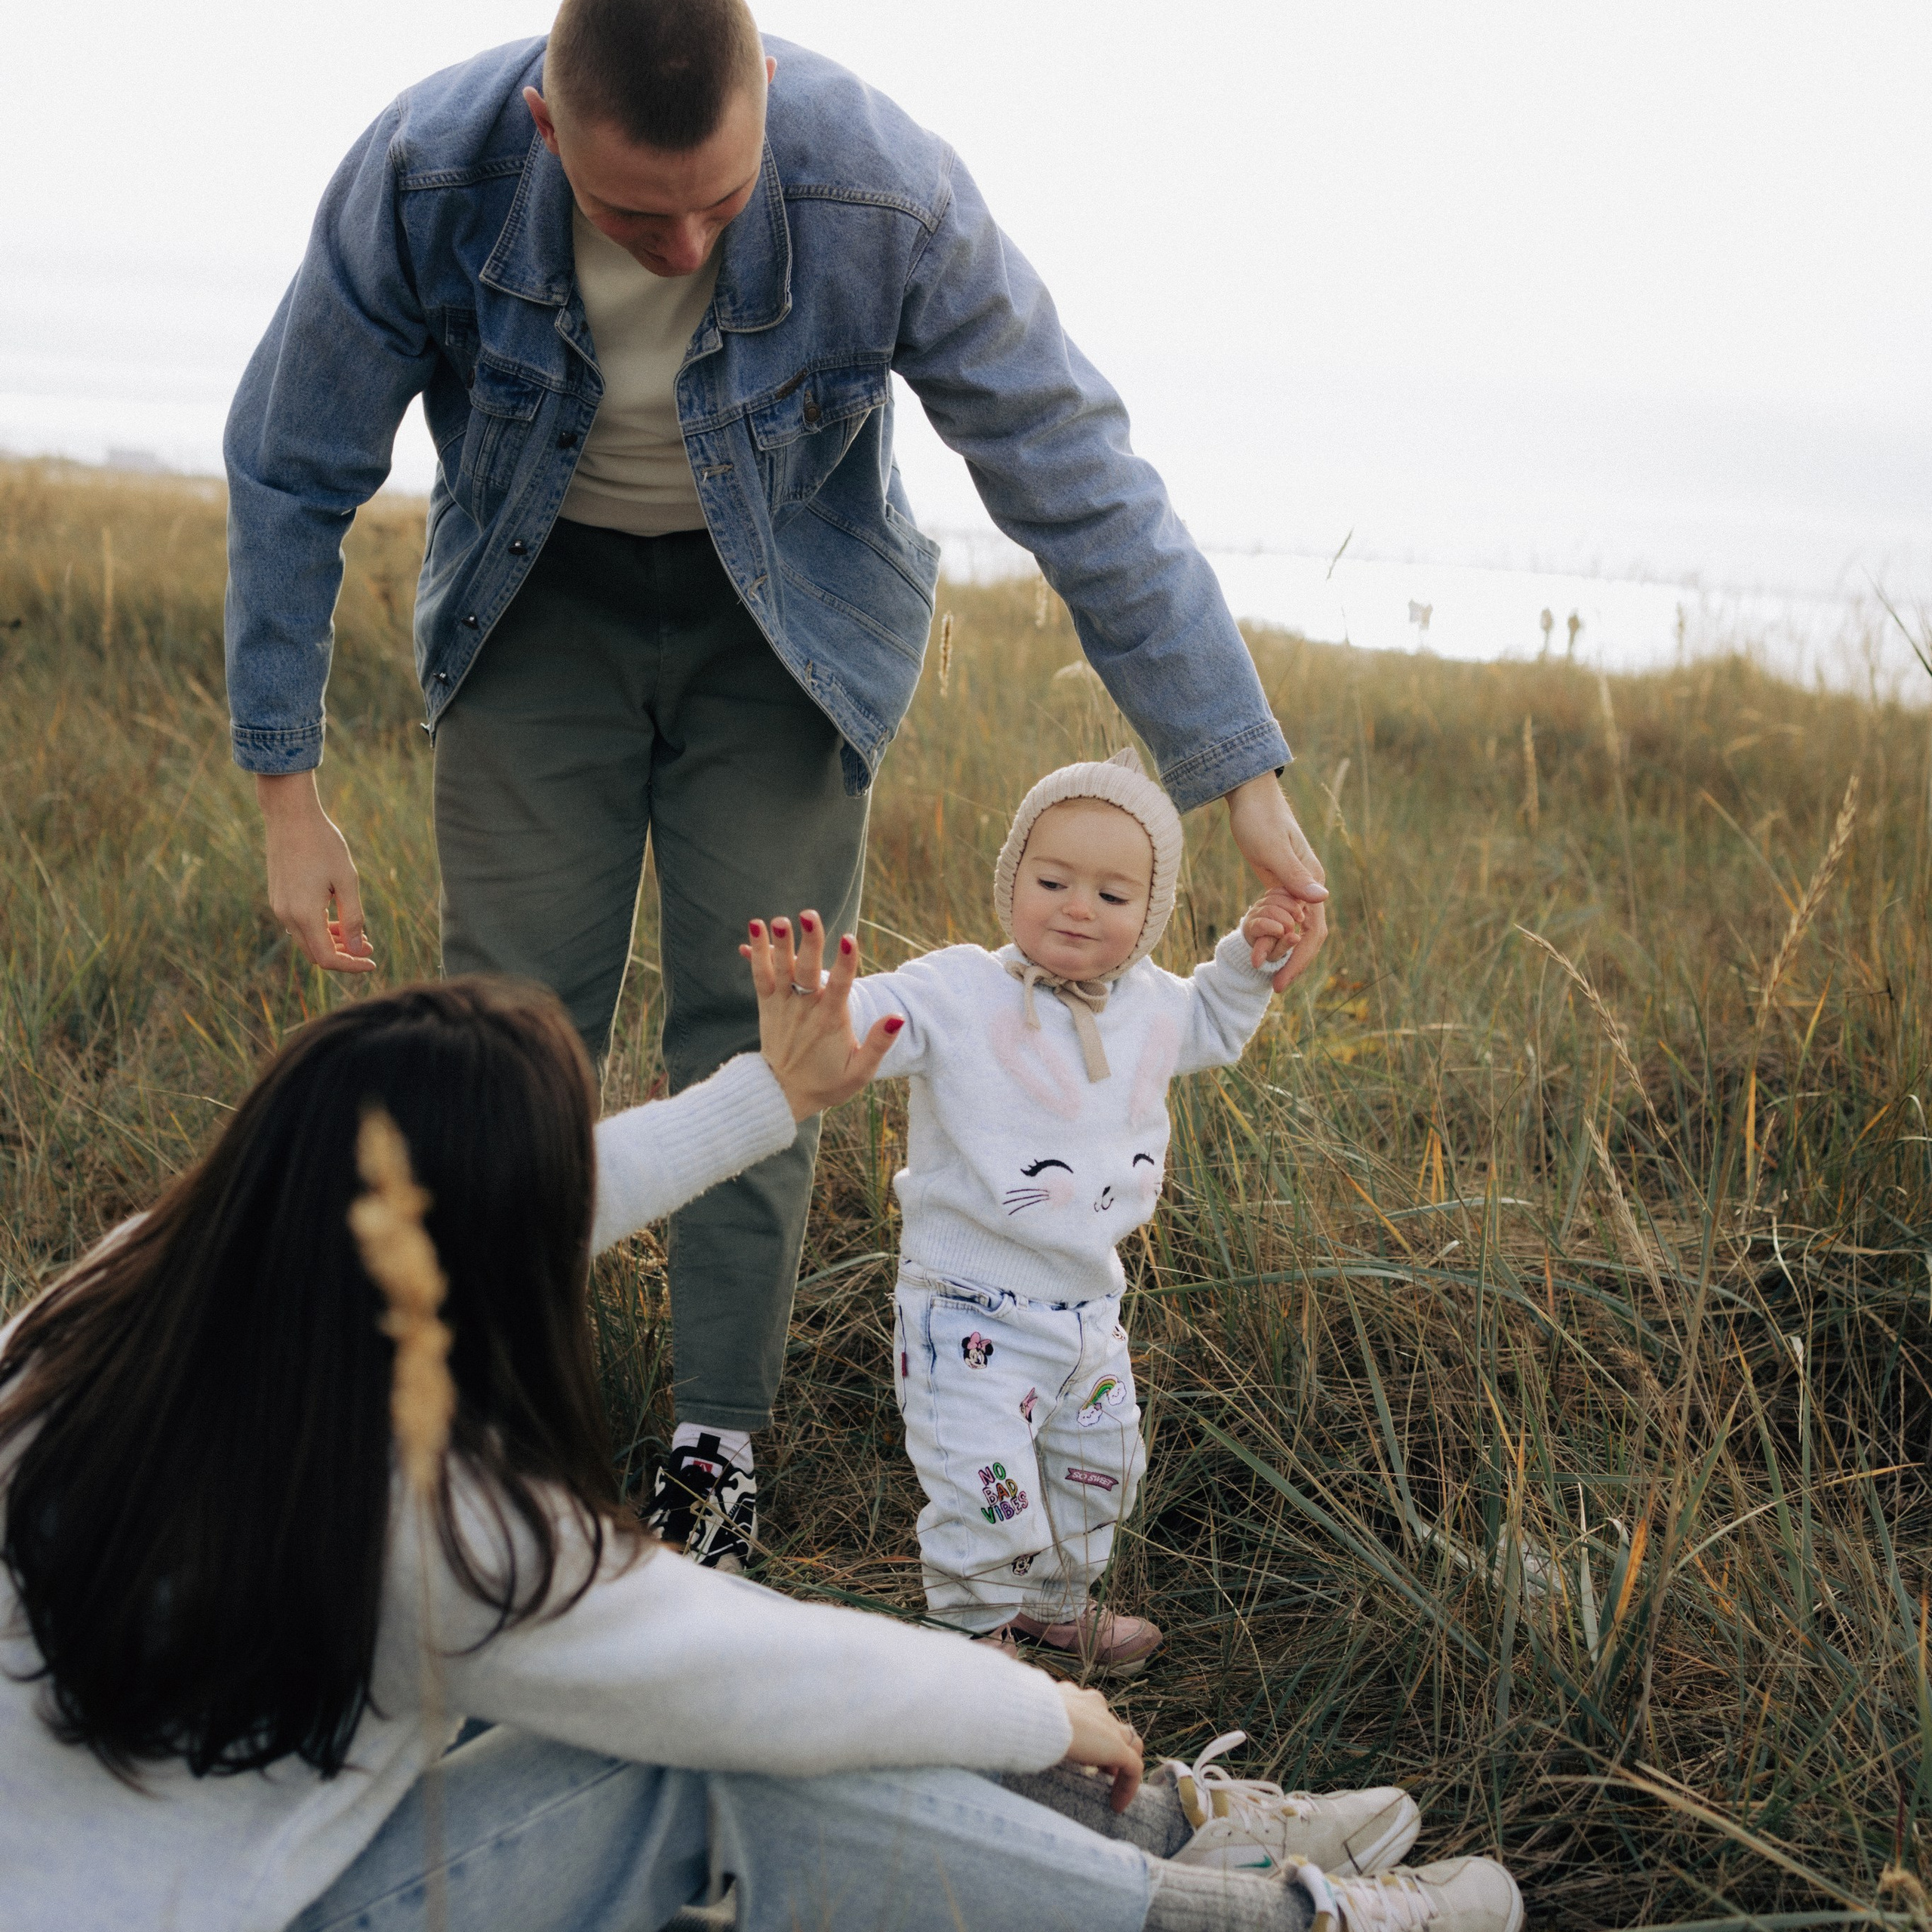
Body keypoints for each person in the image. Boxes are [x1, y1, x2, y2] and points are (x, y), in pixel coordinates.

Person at [222, 0, 1333, 1568]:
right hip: (531, 612)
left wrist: (1236, 773)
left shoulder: (882, 185)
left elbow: (1072, 469)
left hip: (789, 634)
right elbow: (291, 460)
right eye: (631, 213)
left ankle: (714, 1441)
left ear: (764, 107)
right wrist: (288, 786)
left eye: (720, 204)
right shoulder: (423, 172)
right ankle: (481, 1420)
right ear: (549, 126)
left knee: (770, 1027)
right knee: (511, 1028)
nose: (679, 248)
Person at [0, 944, 1521, 1932]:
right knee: (717, 1771)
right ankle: (1248, 1914)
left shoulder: (117, 1302)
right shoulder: (434, 1522)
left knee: (709, 1733)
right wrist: (1046, 1715)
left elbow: (485, 1207)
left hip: (166, 1856)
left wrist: (765, 1098)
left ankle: (1184, 1825)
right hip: (262, 1903)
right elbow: (773, 1676)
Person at [813, 753, 1292, 1673]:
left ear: (1149, 914)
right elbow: (874, 1017)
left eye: (1114, 895)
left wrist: (1248, 955)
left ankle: (1053, 1606)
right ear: (1012, 879)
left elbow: (1217, 1022)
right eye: (1052, 880)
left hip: (1085, 1312)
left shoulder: (1151, 1004)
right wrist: (819, 1001)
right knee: (983, 1484)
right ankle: (971, 1636)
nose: (1078, 906)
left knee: (1101, 1472)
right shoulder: (961, 991)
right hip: (965, 1308)